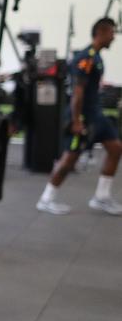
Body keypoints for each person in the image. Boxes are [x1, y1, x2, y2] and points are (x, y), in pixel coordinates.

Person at [37, 17, 121, 215]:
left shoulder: (96, 57)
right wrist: (76, 121)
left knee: (116, 148)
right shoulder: (86, 58)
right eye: (111, 33)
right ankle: (46, 198)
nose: (114, 37)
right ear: (100, 32)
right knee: (69, 160)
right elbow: (77, 93)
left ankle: (101, 197)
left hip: (97, 115)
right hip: (83, 117)